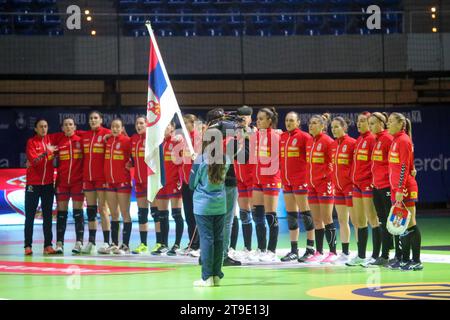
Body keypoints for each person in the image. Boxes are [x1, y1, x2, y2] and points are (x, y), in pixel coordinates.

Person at [190, 127, 230, 287]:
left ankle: (206, 277)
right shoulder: (226, 159)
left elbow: (192, 184)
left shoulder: (200, 159)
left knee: (206, 239)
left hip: (203, 206)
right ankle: (216, 275)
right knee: (219, 239)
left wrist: (194, 163)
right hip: (220, 205)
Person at [387, 112, 422, 271]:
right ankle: (406, 259)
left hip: (405, 188)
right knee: (402, 225)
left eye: (391, 121)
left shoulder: (403, 140)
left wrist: (400, 188)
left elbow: (403, 166)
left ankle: (416, 261)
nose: (388, 124)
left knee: (410, 223)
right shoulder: (395, 140)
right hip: (397, 188)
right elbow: (408, 163)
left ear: (401, 124)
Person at [279, 112, 316, 263]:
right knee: (291, 216)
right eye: (287, 120)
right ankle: (294, 250)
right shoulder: (282, 138)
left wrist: (308, 178)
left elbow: (310, 159)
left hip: (301, 181)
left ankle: (310, 248)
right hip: (287, 182)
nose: (288, 123)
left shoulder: (304, 137)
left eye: (292, 120)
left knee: (306, 214)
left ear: (298, 122)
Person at [346, 112, 381, 267]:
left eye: (362, 121)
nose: (359, 124)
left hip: (368, 184)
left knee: (373, 220)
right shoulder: (358, 140)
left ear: (370, 123)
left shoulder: (373, 139)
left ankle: (375, 256)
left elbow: (376, 164)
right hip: (357, 185)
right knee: (359, 221)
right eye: (358, 121)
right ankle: (361, 255)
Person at [366, 112, 398, 267]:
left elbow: (393, 163)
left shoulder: (387, 139)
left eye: (372, 123)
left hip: (386, 186)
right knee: (383, 221)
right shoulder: (377, 140)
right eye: (369, 123)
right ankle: (385, 254)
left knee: (390, 221)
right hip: (377, 186)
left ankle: (391, 255)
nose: (370, 126)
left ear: (381, 123)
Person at [305, 114, 336, 264]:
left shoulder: (328, 142)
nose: (311, 126)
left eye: (315, 123)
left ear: (323, 126)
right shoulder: (310, 142)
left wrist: (323, 176)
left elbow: (333, 164)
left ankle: (333, 252)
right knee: (317, 220)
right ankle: (318, 251)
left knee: (327, 218)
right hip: (311, 186)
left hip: (324, 184)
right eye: (310, 123)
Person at [78, 111, 111, 254]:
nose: (93, 120)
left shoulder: (108, 133)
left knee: (103, 210)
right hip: (88, 179)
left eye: (95, 118)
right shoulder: (84, 136)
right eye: (91, 118)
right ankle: (91, 242)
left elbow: (123, 140)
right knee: (91, 211)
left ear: (101, 120)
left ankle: (106, 242)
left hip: (102, 179)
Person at [252, 107, 281, 262]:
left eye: (261, 118)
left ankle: (272, 250)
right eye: (257, 118)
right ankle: (261, 248)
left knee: (270, 214)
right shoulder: (255, 135)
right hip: (257, 180)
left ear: (270, 121)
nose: (258, 121)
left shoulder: (275, 136)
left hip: (270, 179)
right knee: (257, 214)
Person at [24, 119, 57, 255]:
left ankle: (48, 245)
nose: (44, 129)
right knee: (30, 216)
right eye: (41, 127)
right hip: (33, 184)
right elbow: (35, 161)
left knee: (48, 216)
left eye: (45, 126)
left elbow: (71, 133)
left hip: (48, 184)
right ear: (36, 129)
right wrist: (47, 152)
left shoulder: (51, 140)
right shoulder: (31, 142)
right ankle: (27, 245)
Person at [52, 117, 85, 254]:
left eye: (70, 124)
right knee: (61, 213)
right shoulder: (59, 142)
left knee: (78, 213)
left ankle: (79, 242)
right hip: (62, 183)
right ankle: (59, 243)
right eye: (65, 125)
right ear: (62, 128)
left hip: (77, 182)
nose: (68, 127)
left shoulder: (81, 141)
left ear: (75, 127)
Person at [151, 121, 184, 256]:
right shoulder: (158, 143)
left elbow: (182, 163)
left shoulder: (177, 141)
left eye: (167, 125)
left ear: (172, 127)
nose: (165, 128)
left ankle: (177, 245)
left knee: (176, 214)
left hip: (174, 182)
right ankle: (163, 244)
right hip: (161, 183)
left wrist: (180, 180)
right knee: (162, 214)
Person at [231, 105, 258, 262]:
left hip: (252, 177)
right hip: (238, 178)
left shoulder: (255, 133)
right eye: (239, 116)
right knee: (243, 213)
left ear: (250, 118)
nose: (242, 119)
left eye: (245, 117)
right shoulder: (233, 133)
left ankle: (262, 248)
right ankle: (247, 247)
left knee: (256, 214)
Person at [103, 118, 132, 255]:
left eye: (117, 127)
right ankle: (114, 244)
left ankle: (125, 244)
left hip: (123, 182)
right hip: (109, 182)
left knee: (125, 213)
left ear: (122, 128)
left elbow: (135, 157)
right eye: (113, 126)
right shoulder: (107, 141)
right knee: (114, 214)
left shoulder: (127, 141)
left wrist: (131, 164)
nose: (115, 129)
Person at [330, 116, 357, 264]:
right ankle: (345, 252)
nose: (334, 130)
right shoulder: (333, 145)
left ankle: (361, 253)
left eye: (337, 127)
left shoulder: (352, 143)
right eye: (332, 127)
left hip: (350, 187)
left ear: (344, 127)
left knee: (356, 221)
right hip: (338, 188)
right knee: (342, 220)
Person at [180, 114, 202, 256]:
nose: (184, 125)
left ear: (193, 123)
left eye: (186, 122)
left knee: (196, 214)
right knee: (188, 214)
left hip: (195, 182)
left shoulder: (199, 138)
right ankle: (192, 244)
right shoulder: (183, 141)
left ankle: (199, 245)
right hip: (185, 182)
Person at [130, 116, 151, 254]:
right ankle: (143, 244)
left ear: (147, 124)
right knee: (142, 213)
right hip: (139, 181)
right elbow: (132, 159)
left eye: (141, 123)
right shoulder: (133, 139)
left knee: (156, 213)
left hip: (151, 181)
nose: (139, 125)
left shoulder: (152, 139)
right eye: (137, 123)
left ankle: (161, 243)